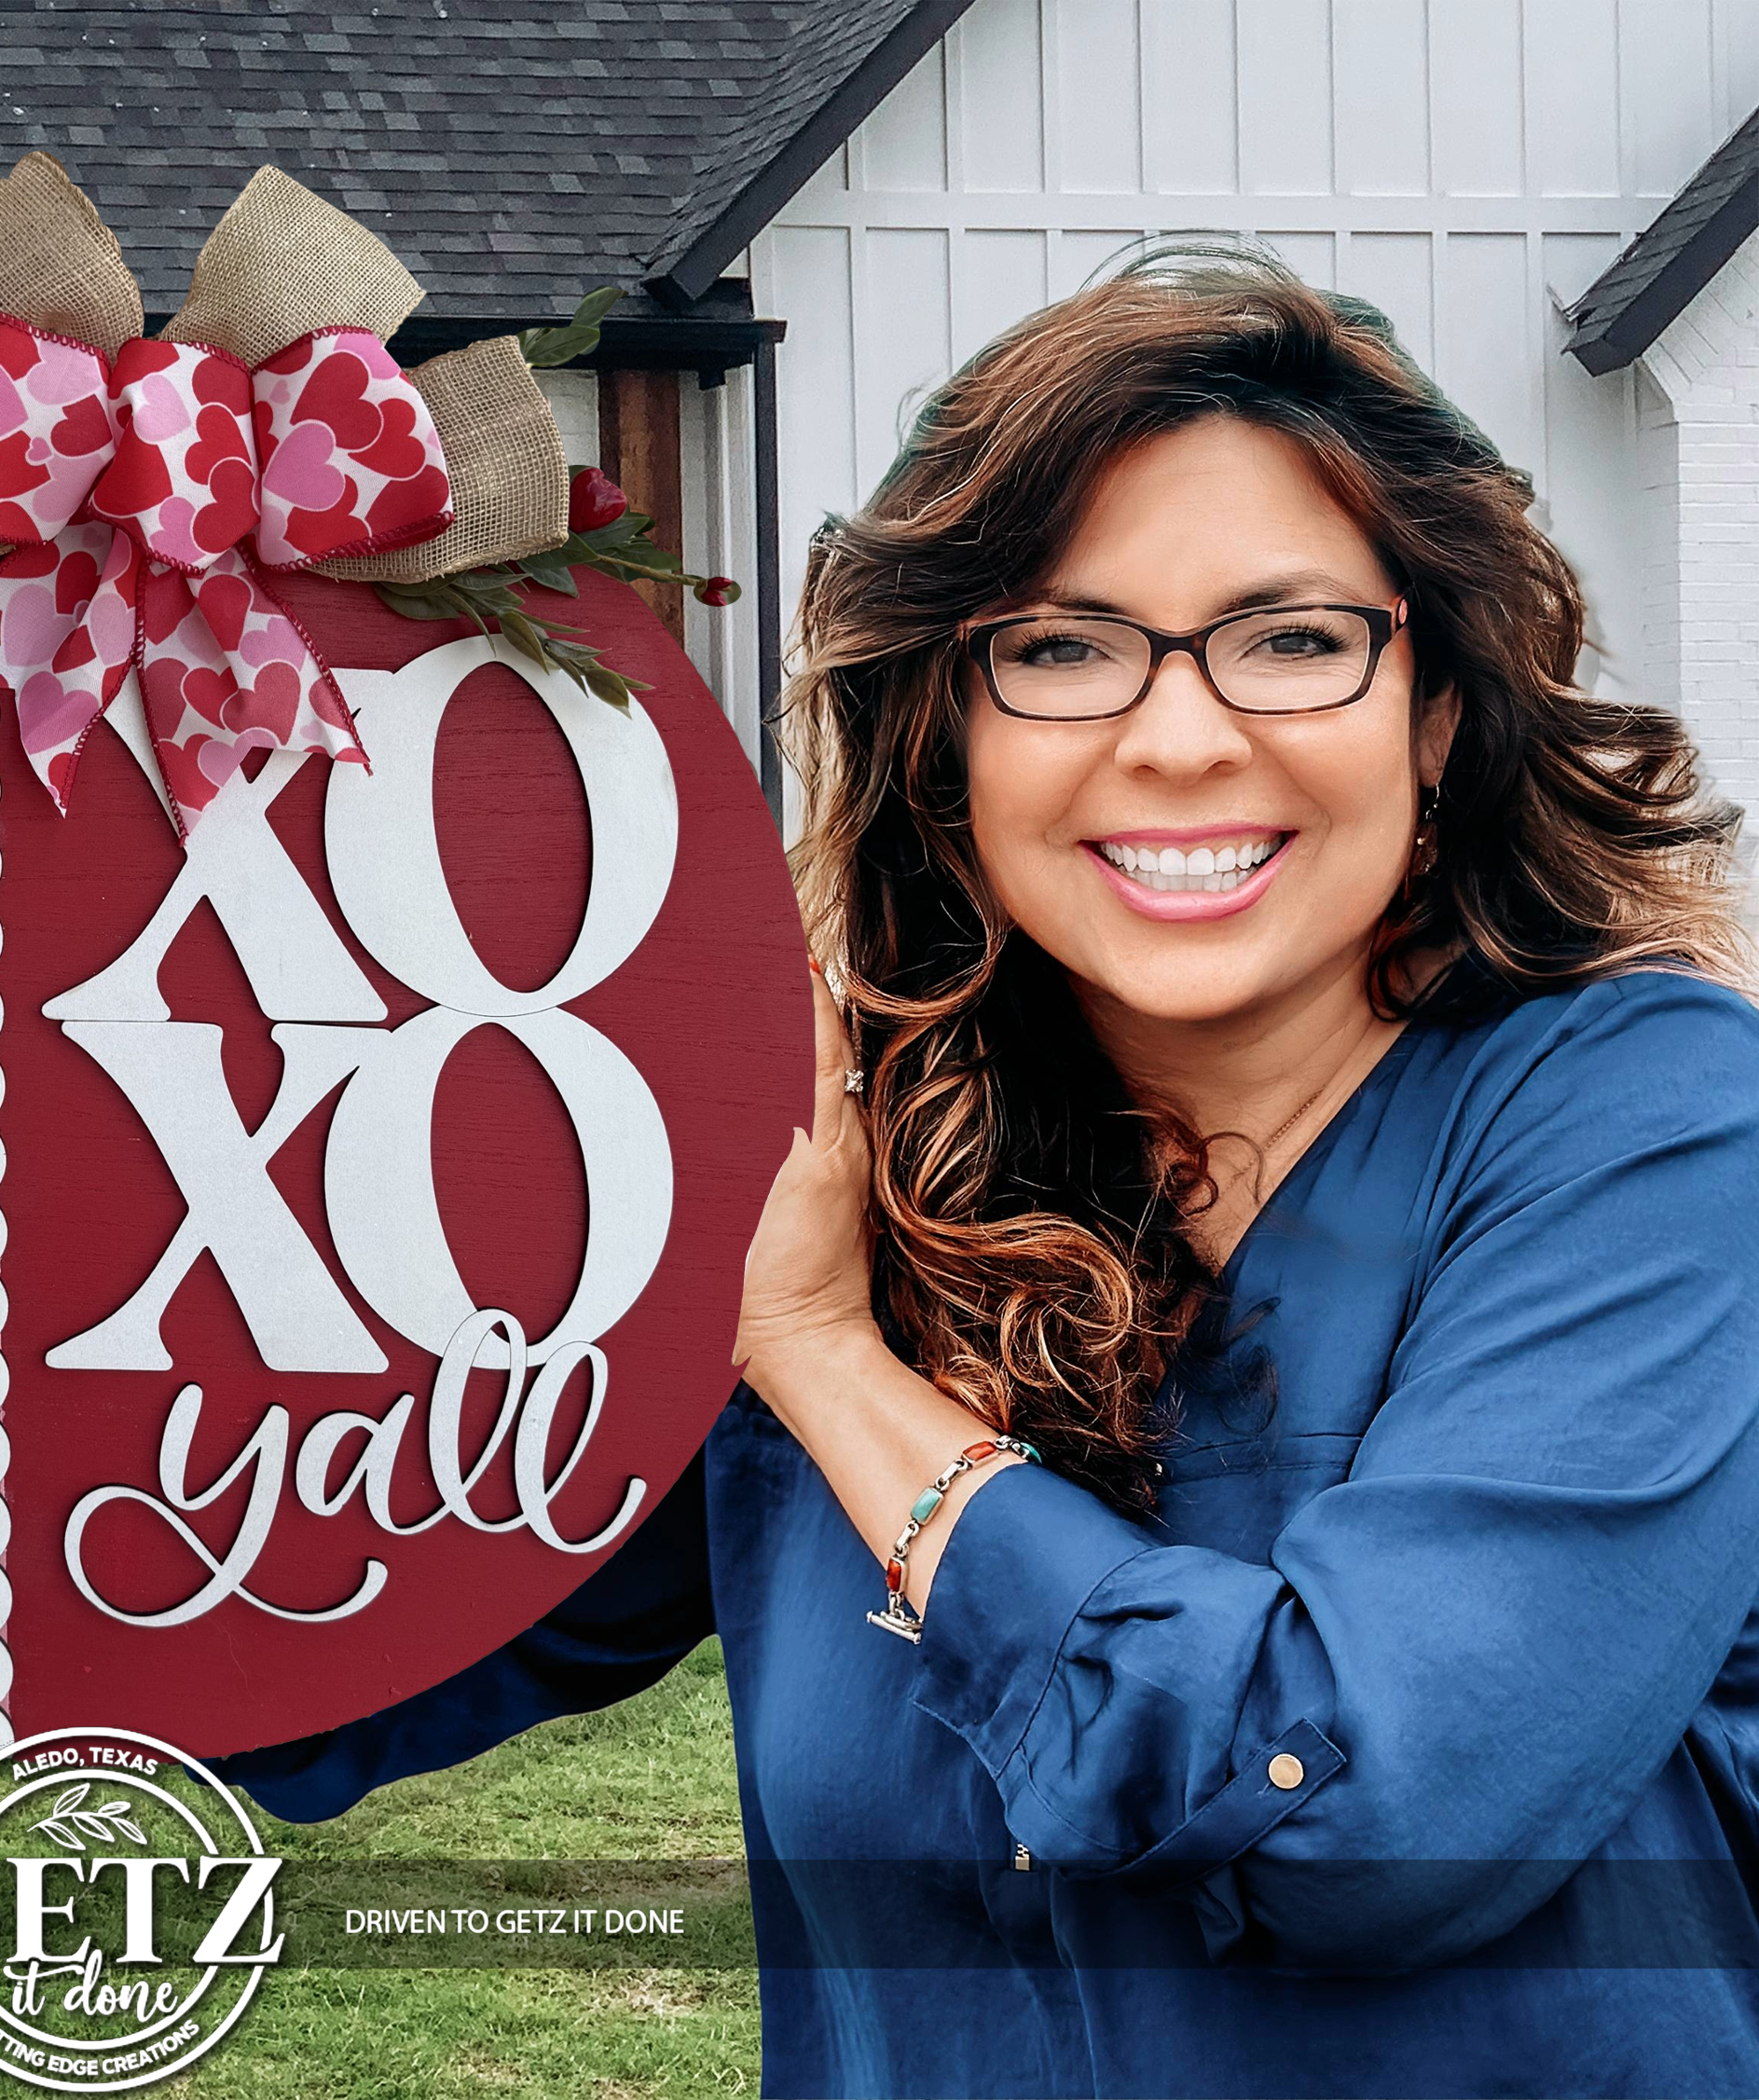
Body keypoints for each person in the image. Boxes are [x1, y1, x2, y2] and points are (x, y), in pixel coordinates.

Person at [217, 248, 1759, 2096]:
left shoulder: (1653, 1130)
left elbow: (1353, 1810)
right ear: (943, 732)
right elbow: (310, 1658)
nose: (1180, 737)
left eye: (1290, 638)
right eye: (1058, 647)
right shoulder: (847, 1146)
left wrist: (812, 1348)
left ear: (1432, 713)